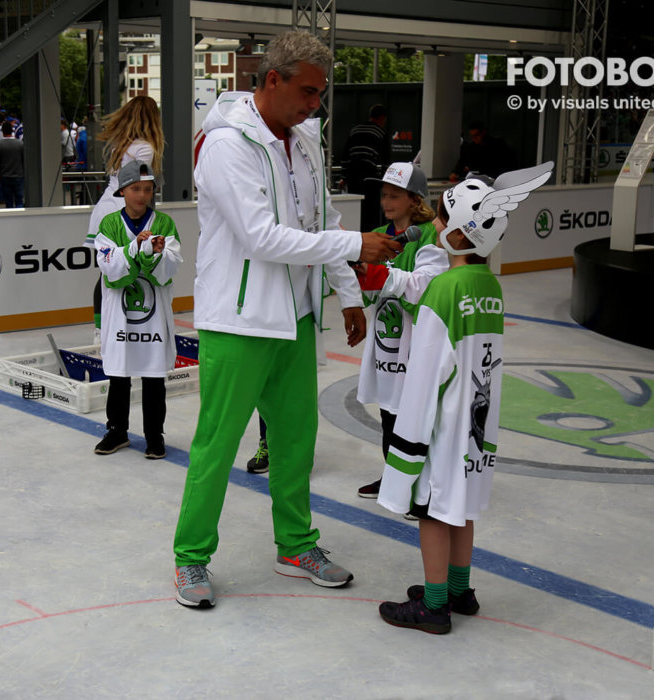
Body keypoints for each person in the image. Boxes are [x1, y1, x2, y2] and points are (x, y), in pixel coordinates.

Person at [172, 30, 401, 609]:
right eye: (307, 91)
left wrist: (348, 292)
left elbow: (321, 216)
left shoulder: (304, 142)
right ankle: (191, 558)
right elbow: (260, 237)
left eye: (320, 95)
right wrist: (355, 244)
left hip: (296, 318)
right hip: (238, 321)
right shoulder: (227, 145)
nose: (314, 105)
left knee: (296, 442)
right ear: (271, 79)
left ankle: (296, 545)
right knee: (217, 446)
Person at [376, 163, 553, 634]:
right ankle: (460, 590)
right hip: (476, 428)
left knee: (432, 512)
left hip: (443, 426)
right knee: (462, 507)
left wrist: (406, 445)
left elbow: (426, 376)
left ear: (456, 233)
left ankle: (434, 606)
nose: (434, 223)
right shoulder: (488, 285)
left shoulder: (444, 290)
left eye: (440, 218)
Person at [353, 162, 448, 500]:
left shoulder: (428, 237)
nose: (387, 201)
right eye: (383, 195)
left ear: (414, 199)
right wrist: (359, 277)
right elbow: (369, 294)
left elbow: (424, 289)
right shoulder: (379, 234)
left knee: (415, 416)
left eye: (394, 195)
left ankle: (419, 488)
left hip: (414, 343)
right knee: (389, 415)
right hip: (386, 342)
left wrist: (378, 277)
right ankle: (393, 478)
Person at [92, 160, 182, 459]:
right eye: (135, 189)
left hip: (153, 318)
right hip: (121, 315)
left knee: (154, 377)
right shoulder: (108, 224)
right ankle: (117, 431)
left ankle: (154, 436)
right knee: (119, 375)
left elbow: (169, 268)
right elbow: (109, 268)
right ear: (122, 191)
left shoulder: (164, 224)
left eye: (147, 189)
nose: (142, 195)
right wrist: (135, 249)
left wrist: (152, 253)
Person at [84, 96, 165, 341]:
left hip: (106, 207)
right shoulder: (145, 148)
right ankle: (116, 330)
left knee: (108, 272)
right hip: (122, 211)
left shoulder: (121, 143)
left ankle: (102, 330)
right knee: (126, 270)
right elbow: (138, 186)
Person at [341, 104, 390, 231]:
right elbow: (386, 160)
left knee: (355, 204)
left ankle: (354, 231)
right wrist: (385, 179)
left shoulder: (355, 130)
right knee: (371, 208)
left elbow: (345, 155)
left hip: (352, 174)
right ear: (382, 118)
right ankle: (369, 233)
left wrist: (343, 177)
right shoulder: (381, 132)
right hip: (369, 174)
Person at [449, 121, 517, 182]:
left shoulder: (498, 144)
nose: (474, 138)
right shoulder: (471, 147)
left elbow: (509, 161)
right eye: (472, 136)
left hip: (497, 178)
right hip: (479, 179)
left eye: (476, 135)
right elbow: (462, 161)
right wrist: (455, 172)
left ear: (483, 132)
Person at [0, 121, 24, 208]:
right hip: (18, 174)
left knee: (8, 200)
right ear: (12, 131)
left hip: (5, 175)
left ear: (3, 131)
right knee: (19, 199)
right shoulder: (20, 144)